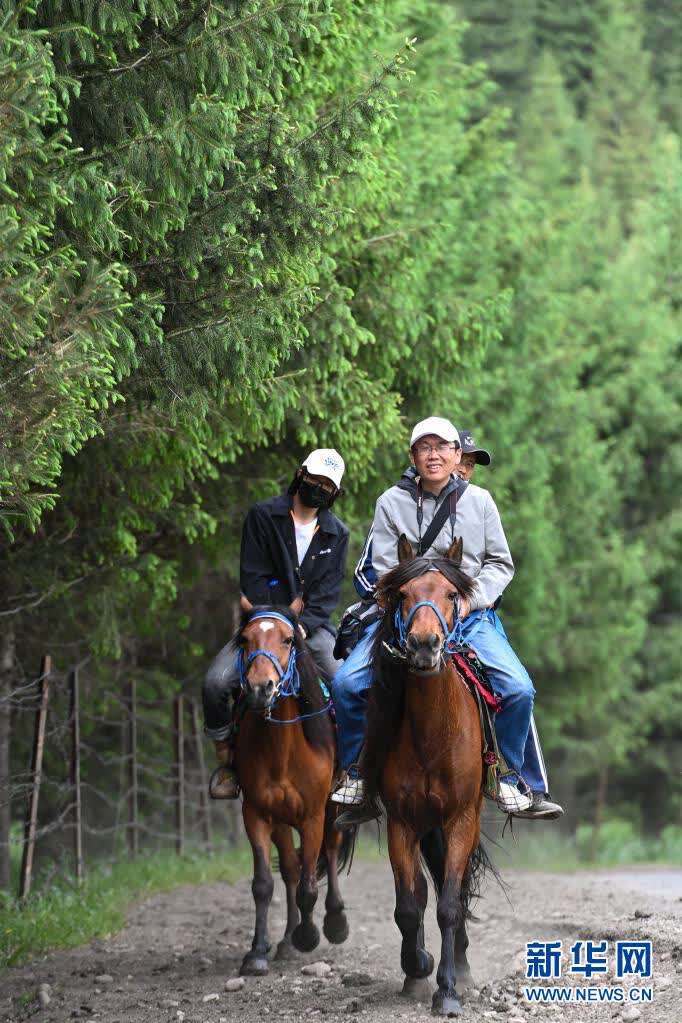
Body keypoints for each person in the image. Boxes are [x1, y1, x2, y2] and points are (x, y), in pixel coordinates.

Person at [331, 417, 563, 822]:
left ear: (457, 456)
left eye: (443, 447)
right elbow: (376, 567)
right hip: (406, 617)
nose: (433, 455)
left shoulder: (481, 502)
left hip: (469, 617)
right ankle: (356, 775)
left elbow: (499, 563)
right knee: (346, 684)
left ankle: (509, 777)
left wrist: (473, 600)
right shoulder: (391, 502)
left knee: (519, 688)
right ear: (413, 456)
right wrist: (404, 599)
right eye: (425, 447)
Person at [203, 449, 349, 798]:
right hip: (263, 624)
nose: (318, 488)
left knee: (348, 684)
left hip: (308, 630)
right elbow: (253, 577)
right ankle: (227, 764)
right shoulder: (263, 516)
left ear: (335, 493)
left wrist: (301, 625)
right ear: (300, 475)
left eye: (327, 485)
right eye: (314, 480)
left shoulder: (336, 533)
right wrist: (278, 616)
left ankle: (349, 767)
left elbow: (327, 595)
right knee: (215, 683)